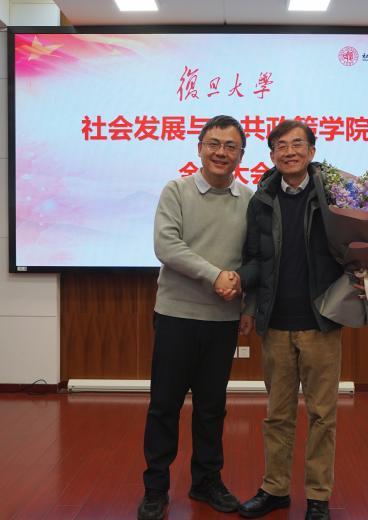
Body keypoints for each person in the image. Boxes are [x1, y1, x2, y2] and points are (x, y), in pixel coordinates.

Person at [236, 120, 368, 520]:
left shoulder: (336, 195)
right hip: (276, 325)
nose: (289, 152)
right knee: (277, 415)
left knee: (323, 415)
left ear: (312, 151)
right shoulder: (262, 200)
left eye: (297, 144)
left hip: (321, 323)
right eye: (280, 146)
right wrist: (249, 308)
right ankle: (275, 489)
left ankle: (318, 497)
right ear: (272, 155)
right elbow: (253, 258)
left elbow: (366, 245)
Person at [137, 115, 252, 520]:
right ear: (200, 147)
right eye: (214, 143)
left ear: (241, 154)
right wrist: (215, 275)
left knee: (211, 408)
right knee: (164, 406)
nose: (221, 152)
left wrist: (248, 307)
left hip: (222, 321)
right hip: (176, 316)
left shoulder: (249, 199)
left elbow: (256, 258)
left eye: (231, 146)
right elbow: (167, 246)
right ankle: (155, 488)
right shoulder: (177, 190)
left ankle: (206, 481)